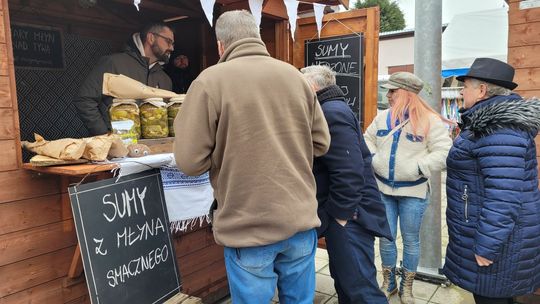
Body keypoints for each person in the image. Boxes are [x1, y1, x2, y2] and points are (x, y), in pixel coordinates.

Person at [172, 10, 330, 304]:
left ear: (221, 45)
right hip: (300, 222)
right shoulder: (295, 77)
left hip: (248, 227)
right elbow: (321, 143)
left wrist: (225, 156)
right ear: (257, 35)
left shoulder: (209, 82)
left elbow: (189, 161)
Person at [444, 58, 540, 304]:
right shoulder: (487, 124)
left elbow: (504, 196)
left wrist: (487, 246)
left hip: (495, 243)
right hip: (487, 233)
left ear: (482, 90)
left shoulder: (498, 128)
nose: (462, 91)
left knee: (491, 298)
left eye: (465, 86)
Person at [301, 65, 392, 304]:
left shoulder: (331, 112)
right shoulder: (329, 108)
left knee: (360, 289)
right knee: (346, 284)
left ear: (312, 86)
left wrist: (340, 216)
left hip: (351, 217)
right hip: (348, 215)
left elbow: (349, 171)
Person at [364, 72, 452, 304]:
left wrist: (419, 167)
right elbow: (367, 139)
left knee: (411, 240)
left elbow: (444, 152)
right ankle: (389, 283)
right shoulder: (382, 118)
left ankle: (407, 287)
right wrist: (374, 159)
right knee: (386, 238)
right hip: (384, 191)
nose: (389, 95)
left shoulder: (430, 120)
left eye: (393, 91)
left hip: (413, 193)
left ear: (404, 94)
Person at [74, 22, 174, 135]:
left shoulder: (165, 79)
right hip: (116, 146)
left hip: (155, 147)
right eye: (168, 41)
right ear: (151, 38)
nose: (171, 48)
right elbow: (84, 99)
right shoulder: (113, 63)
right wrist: (104, 135)